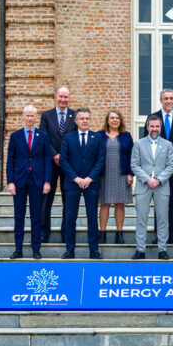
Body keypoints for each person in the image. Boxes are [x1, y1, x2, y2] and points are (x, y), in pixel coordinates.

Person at [144, 88, 173, 244]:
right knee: (159, 200)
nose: (168, 101)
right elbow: (146, 141)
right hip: (157, 166)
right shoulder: (152, 118)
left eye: (171, 98)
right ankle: (159, 233)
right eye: (166, 98)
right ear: (161, 100)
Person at [60, 107, 106, 259]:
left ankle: (93, 250)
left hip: (91, 184)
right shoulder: (68, 137)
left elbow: (100, 160)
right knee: (70, 218)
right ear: (76, 121)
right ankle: (69, 250)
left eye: (87, 118)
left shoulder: (97, 137)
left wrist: (89, 178)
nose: (85, 121)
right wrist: (77, 178)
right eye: (82, 118)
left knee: (92, 217)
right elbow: (63, 160)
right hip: (72, 183)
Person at [6, 105, 51, 259]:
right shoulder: (15, 136)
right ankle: (18, 249)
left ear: (36, 117)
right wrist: (10, 182)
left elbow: (47, 160)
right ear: (23, 117)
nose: (30, 118)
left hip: (37, 181)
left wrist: (47, 181)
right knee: (19, 216)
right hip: (19, 181)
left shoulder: (43, 136)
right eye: (28, 115)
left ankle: (36, 249)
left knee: (36, 216)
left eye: (33, 116)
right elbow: (10, 160)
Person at [130, 115, 173, 260]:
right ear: (147, 127)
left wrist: (159, 179)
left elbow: (171, 166)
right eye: (152, 126)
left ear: (160, 128)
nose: (154, 129)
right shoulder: (138, 144)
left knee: (163, 219)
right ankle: (140, 250)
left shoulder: (168, 145)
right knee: (141, 218)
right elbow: (134, 165)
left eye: (157, 126)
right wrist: (147, 179)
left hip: (161, 187)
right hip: (143, 186)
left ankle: (162, 249)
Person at [38, 86, 76, 244]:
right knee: (46, 199)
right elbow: (43, 137)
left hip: (68, 164)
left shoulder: (75, 115)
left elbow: (74, 138)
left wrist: (64, 156)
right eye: (61, 96)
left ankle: (65, 233)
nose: (63, 100)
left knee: (68, 201)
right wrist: (55, 155)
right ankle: (43, 232)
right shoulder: (46, 115)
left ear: (69, 98)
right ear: (56, 97)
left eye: (66, 97)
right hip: (50, 163)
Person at [97, 109, 134, 244]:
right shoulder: (99, 135)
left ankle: (119, 233)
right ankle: (102, 233)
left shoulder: (126, 136)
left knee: (120, 204)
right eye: (112, 118)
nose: (114, 120)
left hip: (121, 174)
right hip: (104, 175)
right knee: (104, 204)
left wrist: (130, 173)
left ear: (120, 120)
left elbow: (132, 156)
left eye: (117, 118)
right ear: (107, 120)